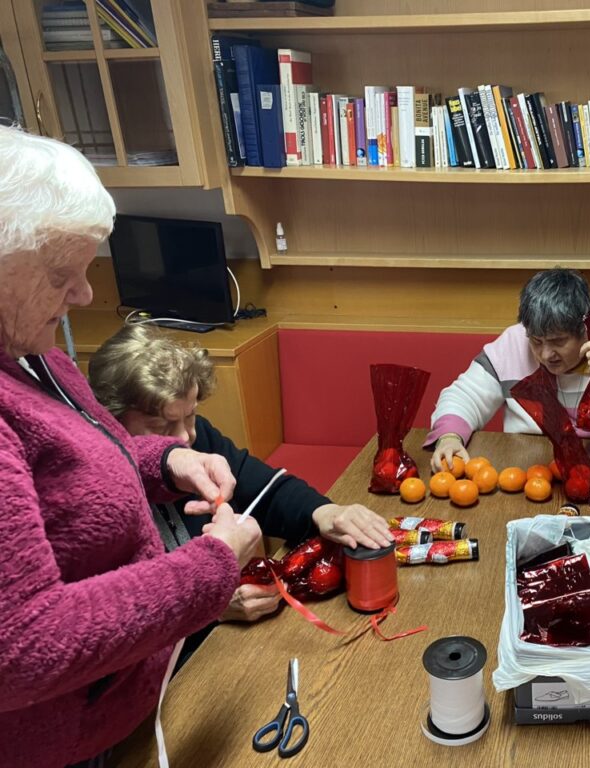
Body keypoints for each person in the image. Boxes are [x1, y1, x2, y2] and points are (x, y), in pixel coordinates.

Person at [0, 128, 263, 766]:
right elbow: (25, 647)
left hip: (129, 707)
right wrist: (213, 566)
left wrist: (170, 461)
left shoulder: (33, 354)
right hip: (63, 747)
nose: (85, 295)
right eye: (63, 273)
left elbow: (93, 463)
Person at [89, 323, 393, 629]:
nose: (184, 437)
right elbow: (114, 622)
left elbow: (267, 489)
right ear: (110, 420)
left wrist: (325, 511)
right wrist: (212, 608)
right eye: (161, 426)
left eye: (190, 415)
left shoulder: (199, 438)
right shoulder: (94, 494)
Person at [426, 267, 590, 470]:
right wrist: (449, 437)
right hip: (529, 469)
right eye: (536, 341)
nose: (546, 354)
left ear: (585, 328)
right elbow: (465, 395)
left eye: (558, 341)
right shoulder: (515, 340)